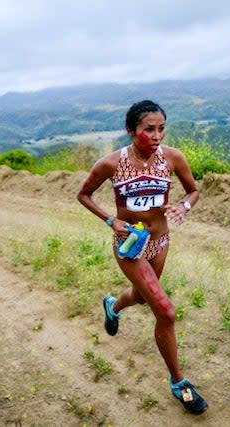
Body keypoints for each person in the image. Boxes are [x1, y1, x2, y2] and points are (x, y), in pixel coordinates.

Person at [76, 100, 208, 414]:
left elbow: (194, 190)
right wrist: (111, 220)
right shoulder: (110, 164)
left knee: (142, 297)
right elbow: (83, 194)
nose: (157, 135)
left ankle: (113, 305)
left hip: (160, 242)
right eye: (149, 129)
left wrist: (183, 206)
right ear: (131, 131)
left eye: (161, 128)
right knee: (165, 310)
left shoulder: (173, 158)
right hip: (131, 246)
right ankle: (179, 382)